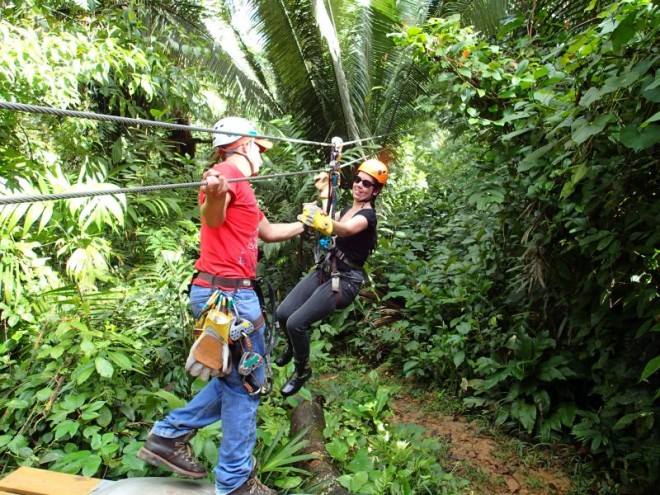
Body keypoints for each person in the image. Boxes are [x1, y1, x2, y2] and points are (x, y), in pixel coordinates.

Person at [137, 117, 306, 495]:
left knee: (239, 383)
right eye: (260, 148)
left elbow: (268, 232)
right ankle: (234, 484)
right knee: (248, 384)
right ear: (245, 144)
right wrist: (215, 195)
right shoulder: (226, 174)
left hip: (222, 292)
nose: (262, 155)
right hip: (228, 296)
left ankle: (167, 436)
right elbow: (213, 217)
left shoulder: (241, 184)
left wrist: (306, 223)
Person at [275, 159, 389, 397]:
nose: (359, 185)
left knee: (297, 323)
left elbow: (344, 229)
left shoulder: (368, 216)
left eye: (366, 184)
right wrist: (324, 193)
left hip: (346, 280)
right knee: (283, 314)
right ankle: (293, 346)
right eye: (357, 179)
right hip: (326, 269)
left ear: (375, 190)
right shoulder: (349, 209)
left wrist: (320, 220)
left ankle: (302, 369)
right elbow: (333, 217)